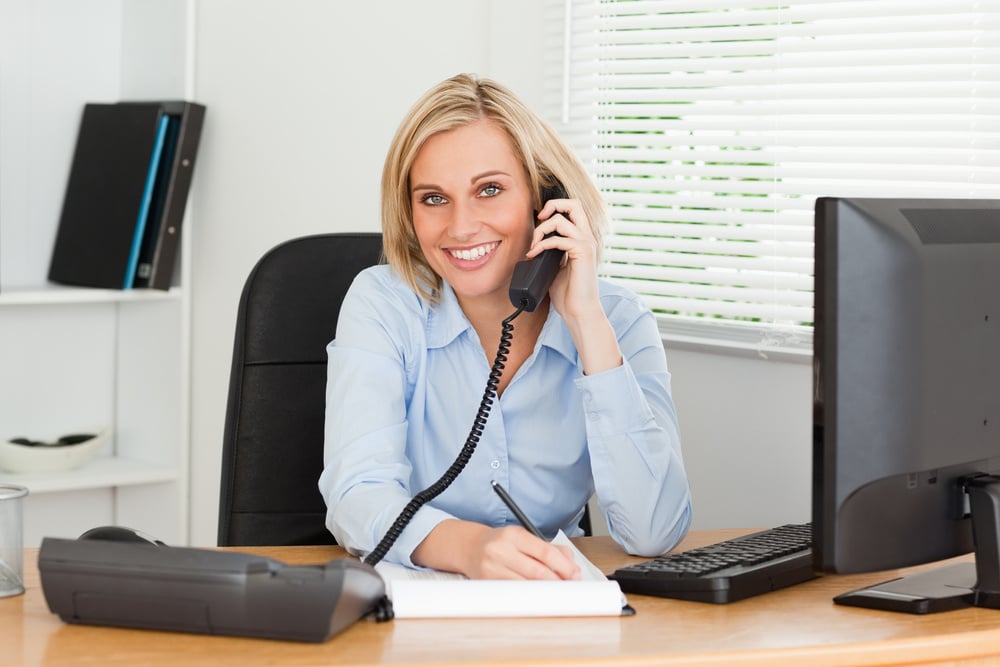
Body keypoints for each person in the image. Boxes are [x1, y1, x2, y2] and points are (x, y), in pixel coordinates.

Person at [319, 73, 691, 580]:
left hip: (553, 602)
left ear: (545, 199)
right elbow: (356, 495)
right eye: (433, 198)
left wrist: (586, 323)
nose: (461, 226)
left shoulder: (618, 318)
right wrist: (470, 548)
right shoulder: (383, 304)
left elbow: (655, 531)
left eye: (489, 190)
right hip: (412, 605)